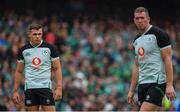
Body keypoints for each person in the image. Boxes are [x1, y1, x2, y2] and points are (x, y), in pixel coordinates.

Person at [127, 7, 176, 111]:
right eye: (137, 18)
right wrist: (131, 90)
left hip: (157, 82)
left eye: (142, 18)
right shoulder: (136, 40)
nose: (140, 20)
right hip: (142, 83)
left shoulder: (159, 34)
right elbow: (137, 65)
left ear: (148, 19)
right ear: (134, 20)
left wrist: (170, 85)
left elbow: (168, 59)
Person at [12, 23, 62, 111]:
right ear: (29, 35)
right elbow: (19, 71)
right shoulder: (23, 50)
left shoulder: (50, 48)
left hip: (45, 87)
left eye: (39, 34)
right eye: (35, 34)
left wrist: (59, 88)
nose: (37, 36)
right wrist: (15, 91)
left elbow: (57, 68)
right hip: (30, 88)